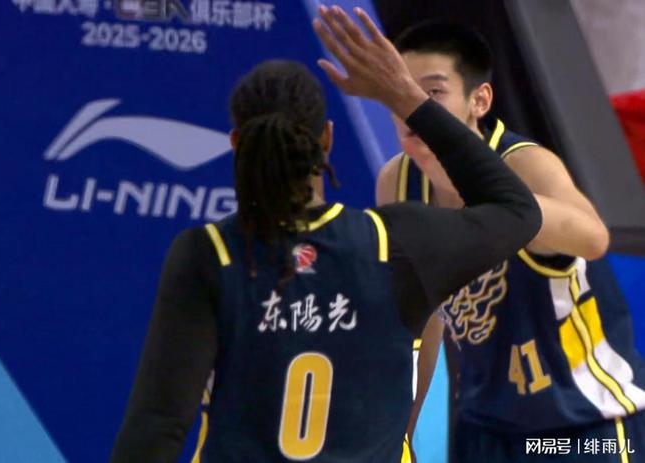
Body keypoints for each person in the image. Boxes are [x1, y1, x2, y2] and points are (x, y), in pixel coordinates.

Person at [109, 7, 542, 463]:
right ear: (328, 140)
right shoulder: (396, 244)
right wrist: (406, 98)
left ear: (236, 143)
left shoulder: (210, 254)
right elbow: (517, 210)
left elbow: (159, 422)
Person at [376, 20, 645, 463]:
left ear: (479, 100)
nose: (413, 108)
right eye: (401, 91)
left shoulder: (527, 167)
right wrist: (402, 431)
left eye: (433, 92)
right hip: (484, 427)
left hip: (581, 422)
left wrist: (497, 202)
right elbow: (421, 319)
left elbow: (595, 239)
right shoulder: (397, 183)